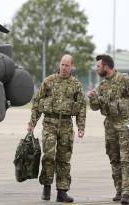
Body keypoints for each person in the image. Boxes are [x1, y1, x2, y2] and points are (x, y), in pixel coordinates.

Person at [88, 54, 129, 204]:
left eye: (98, 66)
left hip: (125, 125)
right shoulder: (101, 86)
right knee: (114, 158)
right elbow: (95, 107)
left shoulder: (124, 79)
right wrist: (92, 98)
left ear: (106, 66)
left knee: (126, 158)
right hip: (110, 126)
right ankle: (119, 190)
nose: (97, 69)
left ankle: (127, 192)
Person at [27, 54, 86, 202]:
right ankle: (46, 187)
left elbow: (81, 108)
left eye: (67, 65)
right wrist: (32, 123)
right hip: (49, 123)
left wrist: (81, 126)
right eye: (62, 65)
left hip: (66, 124)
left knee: (64, 159)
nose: (64, 68)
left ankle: (62, 191)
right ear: (59, 65)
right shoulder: (49, 81)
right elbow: (37, 103)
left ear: (72, 67)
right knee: (48, 156)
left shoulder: (76, 84)